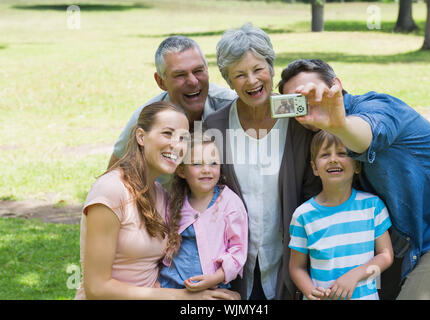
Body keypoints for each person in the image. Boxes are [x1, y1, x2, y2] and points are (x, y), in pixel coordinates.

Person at [279, 58, 430, 300]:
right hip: (405, 245)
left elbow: (366, 135)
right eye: (299, 102)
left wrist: (339, 125)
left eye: (313, 93)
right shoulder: (316, 137)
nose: (309, 105)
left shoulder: (379, 107)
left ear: (336, 85)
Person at [75, 101, 238, 300]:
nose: (177, 145)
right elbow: (97, 289)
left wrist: (212, 288)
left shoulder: (161, 195)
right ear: (141, 137)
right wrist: (184, 297)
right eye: (168, 133)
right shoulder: (111, 191)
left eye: (183, 138)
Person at [204, 24, 321, 300]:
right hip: (234, 266)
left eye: (258, 69)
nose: (252, 81)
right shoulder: (215, 125)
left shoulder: (296, 115)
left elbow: (314, 187)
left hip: (295, 262)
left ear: (271, 68)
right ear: (229, 81)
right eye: (240, 75)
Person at [289, 130, 394, 300]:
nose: (333, 159)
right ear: (315, 168)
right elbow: (296, 268)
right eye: (325, 154)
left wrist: (355, 275)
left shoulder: (372, 206)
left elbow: (386, 255)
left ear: (357, 166)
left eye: (342, 153)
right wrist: (310, 292)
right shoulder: (303, 215)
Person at [108, 35, 237, 169]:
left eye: (198, 71)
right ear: (161, 82)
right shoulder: (146, 119)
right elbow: (114, 172)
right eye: (180, 75)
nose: (193, 81)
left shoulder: (231, 106)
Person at [158, 132, 248, 291]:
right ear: (181, 171)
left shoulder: (230, 204)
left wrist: (213, 279)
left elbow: (238, 253)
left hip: (212, 288)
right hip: (171, 287)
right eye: (197, 164)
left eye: (213, 163)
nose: (207, 169)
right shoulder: (175, 203)